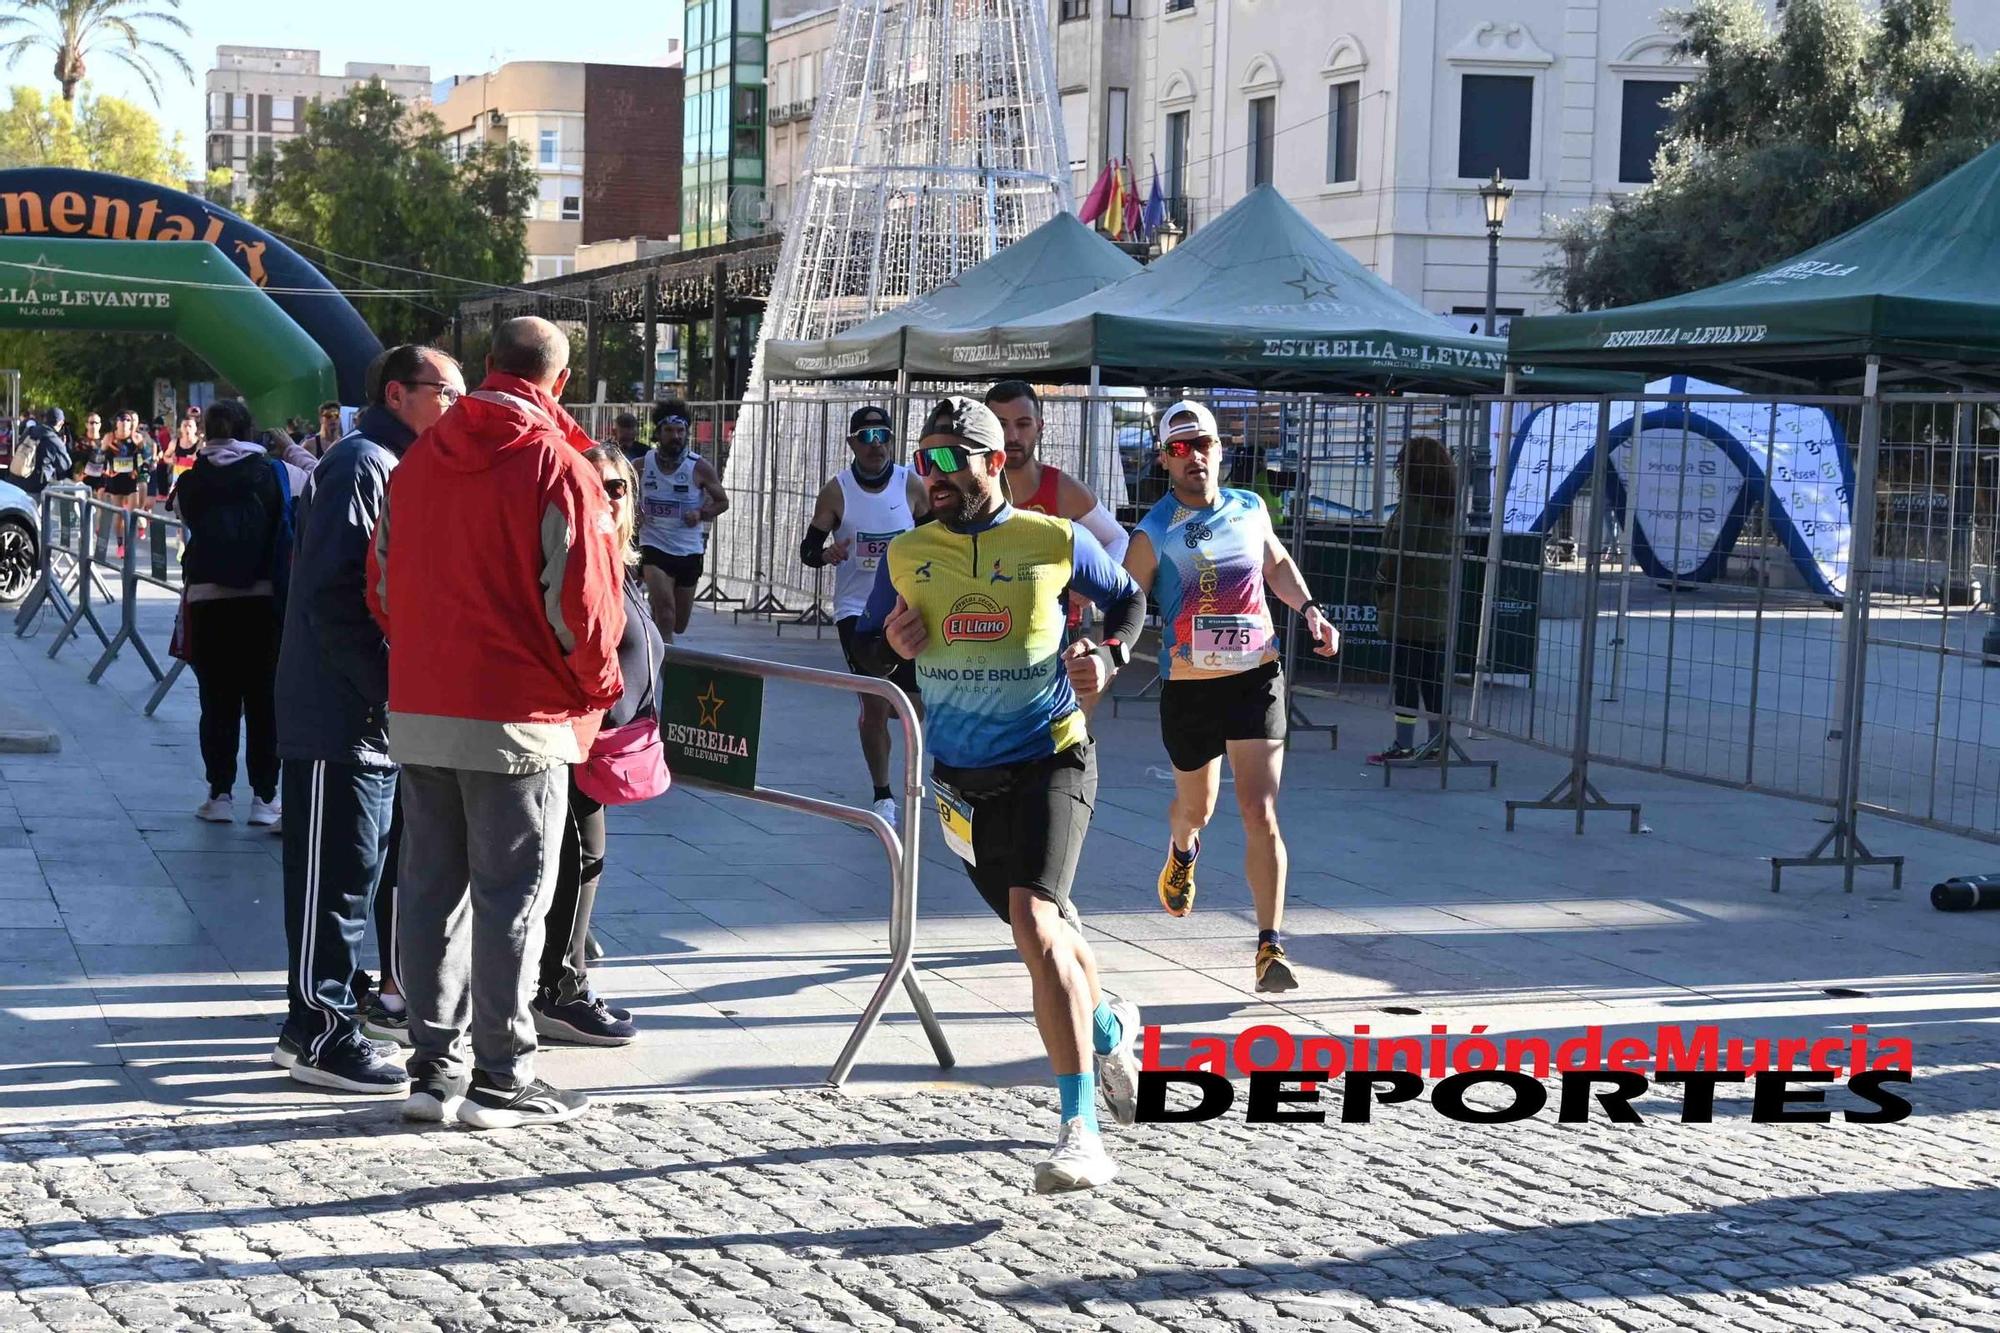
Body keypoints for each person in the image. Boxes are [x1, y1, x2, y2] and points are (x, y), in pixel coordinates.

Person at [855, 395, 1147, 1193]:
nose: (934, 475)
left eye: (951, 459)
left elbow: (1128, 598)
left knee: (1034, 919)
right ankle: (1112, 1027)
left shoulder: (1053, 539)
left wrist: (1108, 651)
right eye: (924, 461)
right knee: (1047, 934)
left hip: (1052, 756)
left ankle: (1079, 1131)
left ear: (996, 461)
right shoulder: (908, 553)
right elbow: (870, 653)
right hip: (962, 783)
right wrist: (891, 646)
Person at [367, 315, 625, 1130]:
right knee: (513, 898)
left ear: (483, 368)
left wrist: (423, 656)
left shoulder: (418, 462)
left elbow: (381, 583)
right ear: (558, 381)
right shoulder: (558, 465)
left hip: (423, 707)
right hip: (521, 717)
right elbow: (584, 609)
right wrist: (596, 691)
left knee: (429, 889)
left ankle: (433, 1070)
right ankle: (502, 1076)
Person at [273, 344, 466, 1095]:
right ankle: (317, 1029)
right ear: (399, 392)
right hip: (340, 715)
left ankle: (340, 1010)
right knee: (334, 875)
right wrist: (392, 691)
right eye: (446, 393)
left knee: (358, 876)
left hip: (371, 716)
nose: (457, 406)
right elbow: (335, 598)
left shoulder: (398, 466)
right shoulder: (362, 464)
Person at [1123, 400, 1340, 994]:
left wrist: (1311, 610)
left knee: (1259, 810)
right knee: (1199, 809)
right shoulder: (1155, 530)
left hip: (1255, 676)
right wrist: (1109, 644)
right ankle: (1183, 849)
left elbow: (1277, 564)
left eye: (1204, 444)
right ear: (1165, 459)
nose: (1195, 456)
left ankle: (1270, 946)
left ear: (1222, 449)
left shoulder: (1250, 507)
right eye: (1180, 447)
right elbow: (1127, 600)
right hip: (1191, 689)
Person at [534, 443, 663, 1048]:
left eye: (619, 488)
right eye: (597, 484)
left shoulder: (620, 562)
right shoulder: (578, 559)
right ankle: (559, 989)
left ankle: (564, 974)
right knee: (578, 862)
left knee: (582, 863)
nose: (609, 496)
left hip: (605, 742)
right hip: (576, 738)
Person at [799, 404, 930, 828]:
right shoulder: (837, 491)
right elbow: (808, 551)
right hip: (858, 612)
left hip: (907, 606)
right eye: (867, 438)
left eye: (884, 437)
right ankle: (883, 796)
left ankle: (917, 781)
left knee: (913, 707)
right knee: (875, 703)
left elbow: (939, 537)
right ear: (852, 443)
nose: (877, 446)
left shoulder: (910, 483)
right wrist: (827, 553)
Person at [171, 399, 288, 828]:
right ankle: (265, 798)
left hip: (207, 602)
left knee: (216, 701)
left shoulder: (190, 482)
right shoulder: (273, 473)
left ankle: (219, 794)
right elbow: (312, 483)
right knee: (263, 702)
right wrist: (290, 448)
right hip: (262, 602)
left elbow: (187, 523)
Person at [985, 380, 1131, 641]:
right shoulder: (970, 488)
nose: (1012, 437)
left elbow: (1118, 537)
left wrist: (1089, 588)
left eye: (1023, 424)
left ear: (1040, 427)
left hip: (1055, 636)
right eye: (1001, 424)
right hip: (985, 628)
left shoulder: (1064, 490)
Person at [1369, 436, 1460, 765]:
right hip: (1435, 600)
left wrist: (1382, 580)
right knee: (1431, 676)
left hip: (1408, 602)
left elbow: (1399, 551)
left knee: (1406, 676)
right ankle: (1437, 741)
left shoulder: (1413, 502)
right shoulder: (1447, 503)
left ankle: (1403, 744)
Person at [636, 398, 728, 644]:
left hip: (688, 550)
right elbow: (622, 494)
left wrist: (701, 513)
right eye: (668, 430)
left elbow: (722, 502)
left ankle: (657, 629)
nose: (675, 436)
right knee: (666, 614)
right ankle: (662, 673)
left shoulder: (699, 467)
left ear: (687, 433)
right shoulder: (642, 465)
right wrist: (634, 512)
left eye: (680, 431)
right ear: (658, 433)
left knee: (678, 624)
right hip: (654, 545)